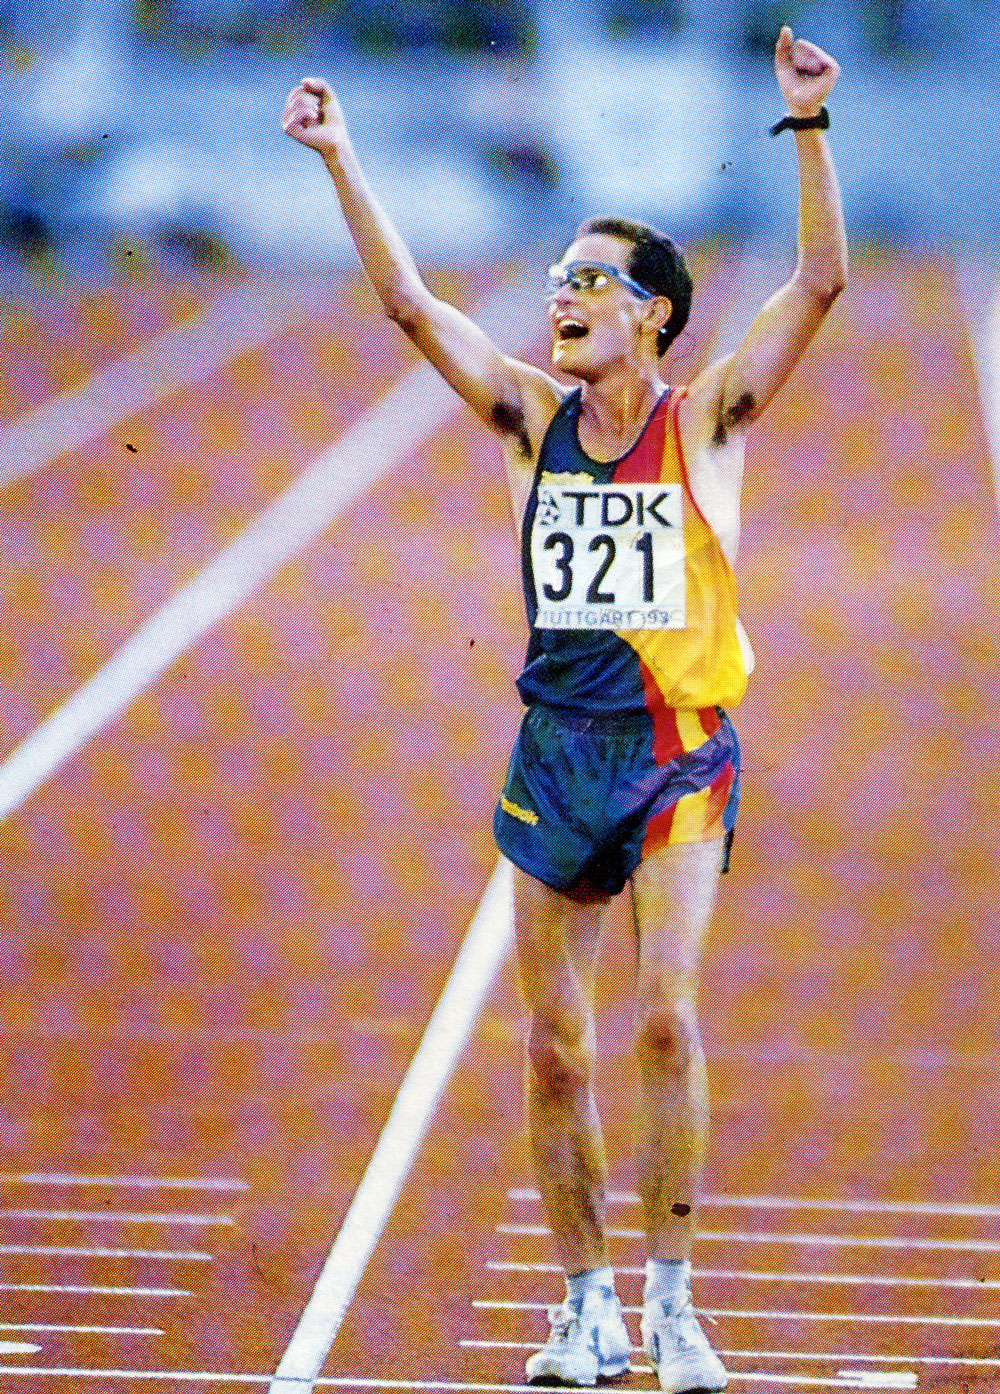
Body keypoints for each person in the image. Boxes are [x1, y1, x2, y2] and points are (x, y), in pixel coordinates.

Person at [283, 25, 846, 1394]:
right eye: (556, 279)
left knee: (662, 1019)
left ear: (654, 310)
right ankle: (582, 1306)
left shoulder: (707, 421)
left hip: (677, 754)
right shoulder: (525, 419)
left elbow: (821, 283)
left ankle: (674, 1303)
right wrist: (342, 157)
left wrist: (806, 125)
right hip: (557, 750)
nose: (562, 296)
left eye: (590, 280)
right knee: (549, 1046)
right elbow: (415, 308)